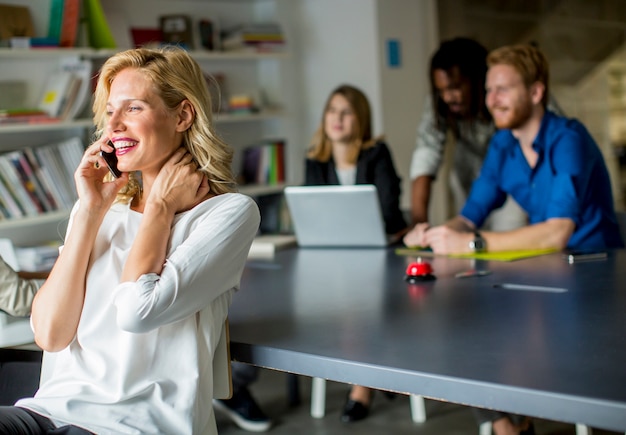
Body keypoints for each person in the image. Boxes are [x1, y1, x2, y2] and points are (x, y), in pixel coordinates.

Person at [0, 46, 260, 435]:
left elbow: (136, 312)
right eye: (109, 112)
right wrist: (89, 212)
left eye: (133, 108)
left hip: (132, 424)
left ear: (182, 115)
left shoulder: (227, 214)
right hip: (48, 410)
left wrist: (160, 206)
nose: (114, 126)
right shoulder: (96, 209)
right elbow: (50, 334)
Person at [404, 43, 623, 433]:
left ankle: (514, 423)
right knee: (469, 332)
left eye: (503, 89)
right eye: (488, 90)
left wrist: (470, 244)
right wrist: (436, 231)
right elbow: (470, 215)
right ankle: (511, 425)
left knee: (498, 333)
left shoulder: (569, 139)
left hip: (598, 279)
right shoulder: (503, 145)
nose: (491, 101)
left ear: (536, 93)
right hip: (548, 273)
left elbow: (557, 232)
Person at [305, 84, 407, 423]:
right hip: (332, 257)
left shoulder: (377, 153)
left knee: (358, 295)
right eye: (332, 110)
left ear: (360, 118)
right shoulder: (314, 159)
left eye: (346, 112)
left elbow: (390, 213)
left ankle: (361, 385)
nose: (337, 118)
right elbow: (313, 215)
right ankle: (374, 372)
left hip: (380, 254)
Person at [409, 37, 529, 231]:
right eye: (441, 91)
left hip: (516, 174)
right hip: (474, 172)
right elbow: (427, 151)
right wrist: (420, 224)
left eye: (455, 88)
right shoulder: (500, 143)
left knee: (510, 229)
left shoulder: (556, 135)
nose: (447, 97)